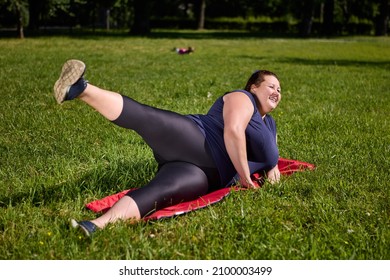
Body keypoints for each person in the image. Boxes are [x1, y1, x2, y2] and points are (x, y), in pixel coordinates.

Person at [54, 59, 281, 237]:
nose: (277, 92)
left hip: (207, 177)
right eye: (271, 86)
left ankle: (94, 226)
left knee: (160, 193)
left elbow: (270, 159)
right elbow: (233, 130)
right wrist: (244, 177)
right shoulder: (242, 98)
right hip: (197, 140)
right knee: (147, 118)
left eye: (279, 90)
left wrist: (272, 171)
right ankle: (80, 88)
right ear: (253, 87)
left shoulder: (270, 124)